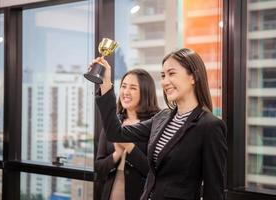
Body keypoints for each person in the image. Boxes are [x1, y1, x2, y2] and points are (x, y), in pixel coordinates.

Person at [93, 48, 227, 200]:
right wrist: (105, 85)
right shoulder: (162, 117)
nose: (165, 81)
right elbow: (115, 133)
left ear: (193, 77)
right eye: (163, 75)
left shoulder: (210, 126)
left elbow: (214, 191)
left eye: (172, 73)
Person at [95, 69, 160, 200]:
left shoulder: (155, 124)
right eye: (123, 86)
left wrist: (130, 147)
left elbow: (154, 172)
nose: (126, 92)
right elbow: (99, 168)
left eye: (133, 88)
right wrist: (116, 155)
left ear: (145, 92)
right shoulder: (113, 123)